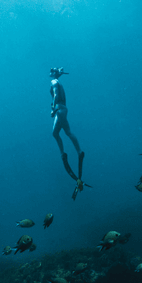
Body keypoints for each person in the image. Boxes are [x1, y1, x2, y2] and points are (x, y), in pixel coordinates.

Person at [49, 67, 89, 200]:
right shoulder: (60, 83)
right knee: (59, 133)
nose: (50, 72)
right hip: (63, 109)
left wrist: (53, 110)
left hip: (59, 109)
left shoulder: (54, 82)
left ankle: (72, 152)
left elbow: (55, 94)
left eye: (52, 70)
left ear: (55, 73)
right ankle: (75, 152)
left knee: (64, 132)